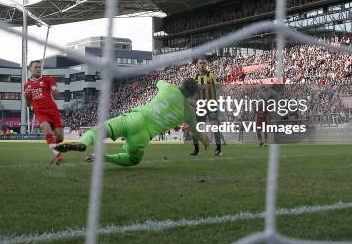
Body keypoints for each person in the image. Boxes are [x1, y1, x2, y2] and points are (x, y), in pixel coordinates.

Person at [55, 79, 206, 167]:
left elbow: (158, 82)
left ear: (181, 85)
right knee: (133, 159)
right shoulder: (189, 112)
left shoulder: (169, 88)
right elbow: (197, 133)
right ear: (192, 95)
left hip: (135, 118)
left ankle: (83, 142)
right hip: (143, 135)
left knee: (99, 130)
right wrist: (206, 142)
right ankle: (103, 157)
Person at [24, 60, 65, 165]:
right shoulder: (27, 85)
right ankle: (58, 155)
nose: (38, 69)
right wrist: (26, 95)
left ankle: (59, 150)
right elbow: (28, 105)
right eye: (36, 67)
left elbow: (54, 89)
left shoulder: (48, 79)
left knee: (60, 137)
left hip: (53, 111)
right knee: (47, 130)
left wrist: (55, 89)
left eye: (39, 67)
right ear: (30, 69)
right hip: (40, 112)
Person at [192, 58, 223, 156]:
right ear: (197, 65)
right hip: (200, 106)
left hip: (211, 105)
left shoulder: (211, 75)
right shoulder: (195, 77)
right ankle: (196, 150)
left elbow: (219, 87)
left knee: (215, 126)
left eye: (204, 63)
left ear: (206, 64)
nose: (202, 65)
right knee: (195, 127)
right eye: (200, 63)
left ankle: (218, 149)